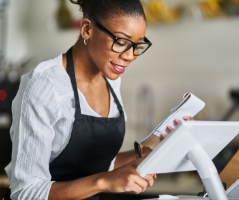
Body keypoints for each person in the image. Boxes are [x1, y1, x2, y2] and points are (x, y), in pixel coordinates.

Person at [3, 0, 192, 199]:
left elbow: (97, 164)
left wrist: (153, 150)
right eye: (121, 42)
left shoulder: (111, 79)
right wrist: (105, 181)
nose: (130, 56)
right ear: (87, 29)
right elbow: (25, 193)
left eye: (138, 45)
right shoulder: (44, 85)